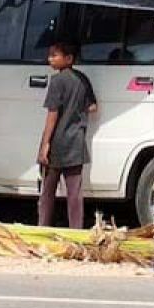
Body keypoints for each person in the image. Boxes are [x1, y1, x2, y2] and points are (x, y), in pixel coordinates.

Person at [37, 42, 97, 229]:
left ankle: (43, 227)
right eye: (50, 55)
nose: (50, 59)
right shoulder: (82, 79)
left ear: (69, 58)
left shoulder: (57, 81)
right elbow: (93, 107)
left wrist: (45, 143)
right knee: (74, 194)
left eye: (55, 55)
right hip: (76, 142)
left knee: (47, 191)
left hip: (57, 142)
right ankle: (76, 231)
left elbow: (52, 114)